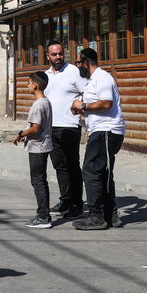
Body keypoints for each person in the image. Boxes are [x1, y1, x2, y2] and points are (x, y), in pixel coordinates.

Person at [72, 47, 125, 231]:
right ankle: (110, 215)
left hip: (107, 131)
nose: (78, 67)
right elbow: (97, 106)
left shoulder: (102, 77)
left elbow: (106, 103)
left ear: (86, 62)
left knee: (91, 171)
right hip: (101, 131)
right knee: (102, 173)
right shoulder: (93, 80)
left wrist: (83, 105)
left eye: (79, 63)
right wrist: (82, 110)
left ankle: (96, 216)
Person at [43, 42, 87, 220]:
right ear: (48, 56)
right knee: (59, 166)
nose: (58, 57)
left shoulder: (73, 71)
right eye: (54, 54)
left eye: (60, 54)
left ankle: (77, 204)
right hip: (50, 127)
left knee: (72, 165)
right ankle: (65, 200)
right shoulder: (45, 75)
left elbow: (87, 92)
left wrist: (81, 108)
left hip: (69, 126)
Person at [13, 71, 54, 228]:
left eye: (29, 83)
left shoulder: (38, 104)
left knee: (37, 181)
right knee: (41, 180)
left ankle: (43, 217)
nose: (28, 86)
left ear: (35, 85)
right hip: (44, 145)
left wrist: (20, 134)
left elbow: (35, 128)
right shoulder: (46, 101)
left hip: (37, 147)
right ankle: (44, 214)